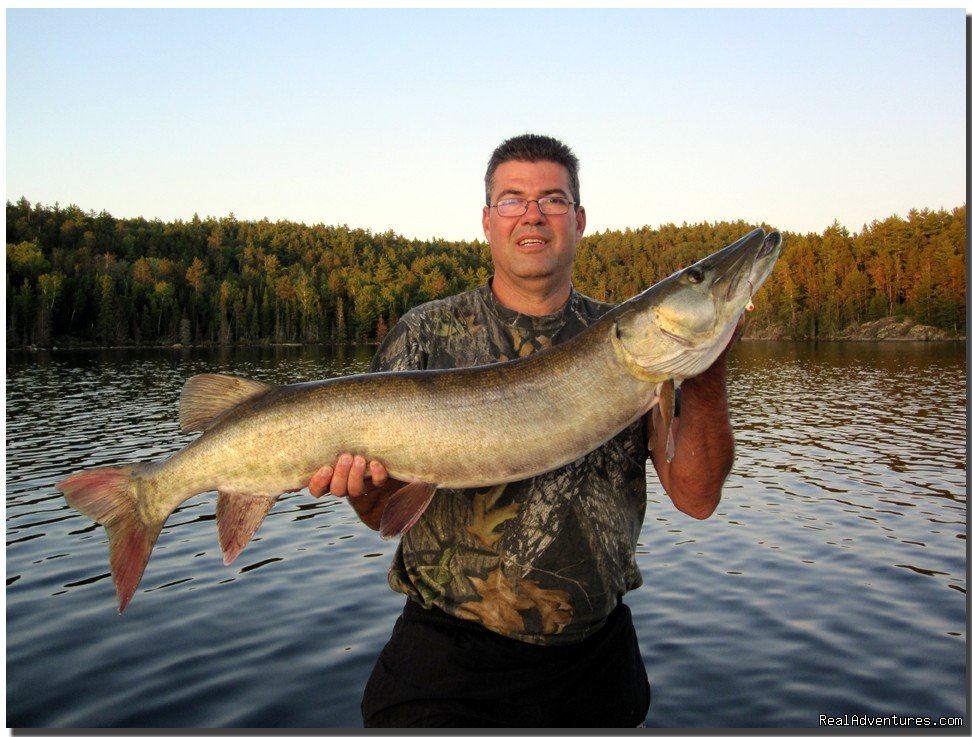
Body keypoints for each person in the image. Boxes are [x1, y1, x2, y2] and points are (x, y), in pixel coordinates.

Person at [307, 134, 737, 728]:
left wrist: (708, 374)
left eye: (553, 200)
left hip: (594, 665)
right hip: (447, 663)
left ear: (580, 220)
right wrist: (360, 485)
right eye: (513, 200)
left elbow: (697, 497)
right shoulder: (425, 334)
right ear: (487, 221)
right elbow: (382, 509)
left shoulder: (635, 345)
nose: (533, 214)